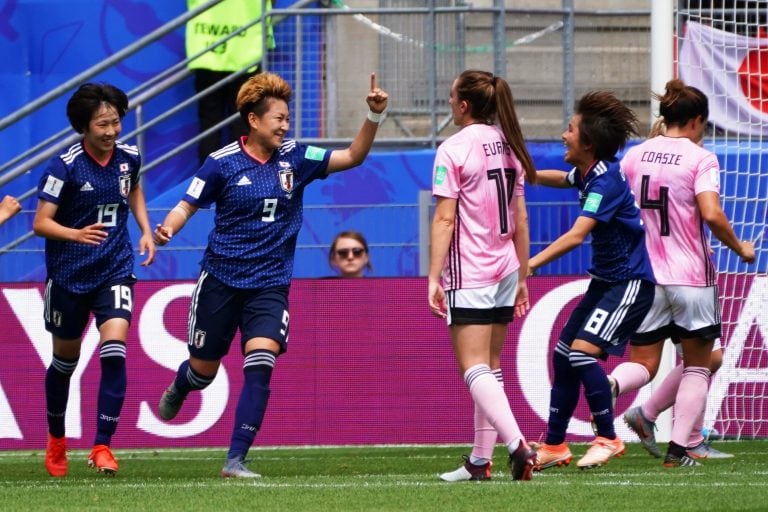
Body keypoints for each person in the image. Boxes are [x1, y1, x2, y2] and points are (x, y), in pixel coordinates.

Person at [153, 71, 388, 478]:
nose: (285, 124)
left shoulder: (296, 157)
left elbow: (353, 156)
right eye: (278, 118)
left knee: (261, 360)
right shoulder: (220, 163)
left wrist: (373, 115)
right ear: (253, 120)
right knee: (204, 372)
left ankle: (235, 460)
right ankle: (182, 384)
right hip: (221, 281)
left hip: (270, 284)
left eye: (287, 117)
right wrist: (169, 228)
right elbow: (187, 204)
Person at [605, 79, 754, 466]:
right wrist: (739, 247)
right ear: (697, 120)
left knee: (644, 363)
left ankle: (608, 387)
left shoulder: (635, 156)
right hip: (690, 276)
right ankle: (680, 449)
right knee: (700, 364)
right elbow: (710, 212)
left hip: (646, 277)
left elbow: (613, 206)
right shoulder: (699, 158)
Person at [33, 83, 156, 477]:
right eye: (102, 124)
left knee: (115, 347)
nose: (111, 131)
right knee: (65, 364)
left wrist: (145, 230)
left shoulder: (129, 157)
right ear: (84, 127)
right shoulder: (63, 166)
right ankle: (56, 439)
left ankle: (102, 445)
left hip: (114, 269)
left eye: (116, 121)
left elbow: (133, 189)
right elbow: (40, 223)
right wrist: (76, 234)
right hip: (69, 276)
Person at [528, 91, 656, 471]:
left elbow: (576, 236)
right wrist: (527, 173)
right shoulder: (588, 172)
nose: (563, 135)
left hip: (629, 284)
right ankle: (553, 445)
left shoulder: (606, 183)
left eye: (570, 129)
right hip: (606, 282)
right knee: (563, 356)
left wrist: (529, 265)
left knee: (582, 352)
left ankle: (608, 437)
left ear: (588, 143)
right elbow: (561, 178)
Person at [428, 69, 538, 482]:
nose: (450, 102)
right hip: (506, 265)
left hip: (471, 269)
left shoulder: (454, 148)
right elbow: (521, 218)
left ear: (464, 105)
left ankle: (517, 446)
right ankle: (479, 460)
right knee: (490, 367)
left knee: (473, 367)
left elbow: (444, 219)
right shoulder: (510, 145)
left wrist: (433, 277)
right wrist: (523, 276)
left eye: (452, 96)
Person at [186, 0, 275, 165]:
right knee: (244, 121)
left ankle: (209, 182)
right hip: (247, 52)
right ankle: (241, 178)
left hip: (208, 53)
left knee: (210, 124)